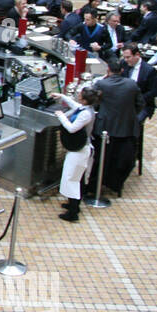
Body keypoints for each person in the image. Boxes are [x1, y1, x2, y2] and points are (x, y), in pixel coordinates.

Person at [86, 57, 145, 199]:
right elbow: (140, 104)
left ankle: (95, 185)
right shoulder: (132, 84)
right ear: (122, 71)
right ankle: (115, 184)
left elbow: (93, 103)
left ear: (108, 71)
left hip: (105, 128)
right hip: (126, 128)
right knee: (120, 159)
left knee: (101, 158)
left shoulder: (102, 84)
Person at [53, 86, 100, 223]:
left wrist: (61, 116)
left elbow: (72, 128)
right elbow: (75, 105)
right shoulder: (85, 108)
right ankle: (73, 204)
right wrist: (62, 97)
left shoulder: (86, 114)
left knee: (72, 178)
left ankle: (73, 212)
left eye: (80, 94)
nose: (78, 95)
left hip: (80, 151)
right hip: (78, 150)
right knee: (75, 178)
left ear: (84, 99)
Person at [120, 43, 157, 120]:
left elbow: (153, 92)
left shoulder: (149, 70)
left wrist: (136, 100)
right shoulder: (123, 63)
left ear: (137, 55)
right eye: (124, 57)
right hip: (124, 101)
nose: (126, 60)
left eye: (128, 57)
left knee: (136, 121)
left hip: (142, 104)